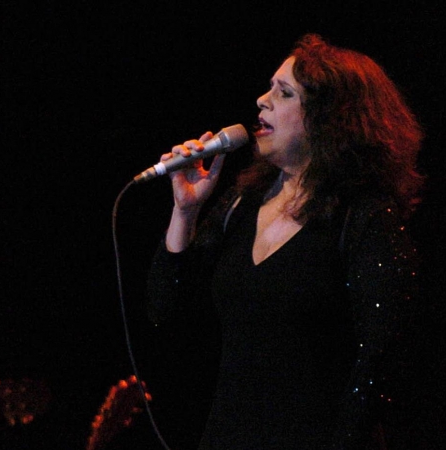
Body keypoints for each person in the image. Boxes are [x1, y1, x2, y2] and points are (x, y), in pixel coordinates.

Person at [146, 34, 422, 449]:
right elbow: (165, 312)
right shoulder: (241, 204)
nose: (262, 100)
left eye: (284, 93)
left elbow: (381, 363)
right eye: (269, 87)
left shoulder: (364, 217)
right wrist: (185, 212)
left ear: (329, 119)